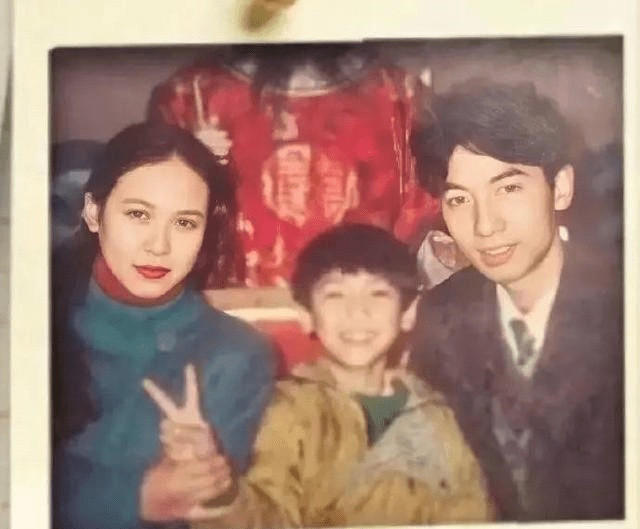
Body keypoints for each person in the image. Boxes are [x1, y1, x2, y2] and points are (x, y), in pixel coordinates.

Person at [156, 223, 496, 528]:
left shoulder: (436, 416)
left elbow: (471, 515)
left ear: (407, 313)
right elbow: (269, 518)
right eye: (335, 295)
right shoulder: (291, 411)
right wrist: (218, 491)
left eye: (378, 293)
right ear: (306, 315)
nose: (357, 311)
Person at [409, 81, 624, 521]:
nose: (485, 226)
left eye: (508, 189)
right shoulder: (441, 315)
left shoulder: (623, 307)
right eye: (459, 199)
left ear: (560, 188)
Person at [51, 122, 276, 529]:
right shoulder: (35, 322)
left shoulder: (237, 354)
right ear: (93, 213)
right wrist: (133, 496)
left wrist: (211, 481)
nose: (159, 245)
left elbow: (222, 512)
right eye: (138, 214)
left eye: (185, 223)